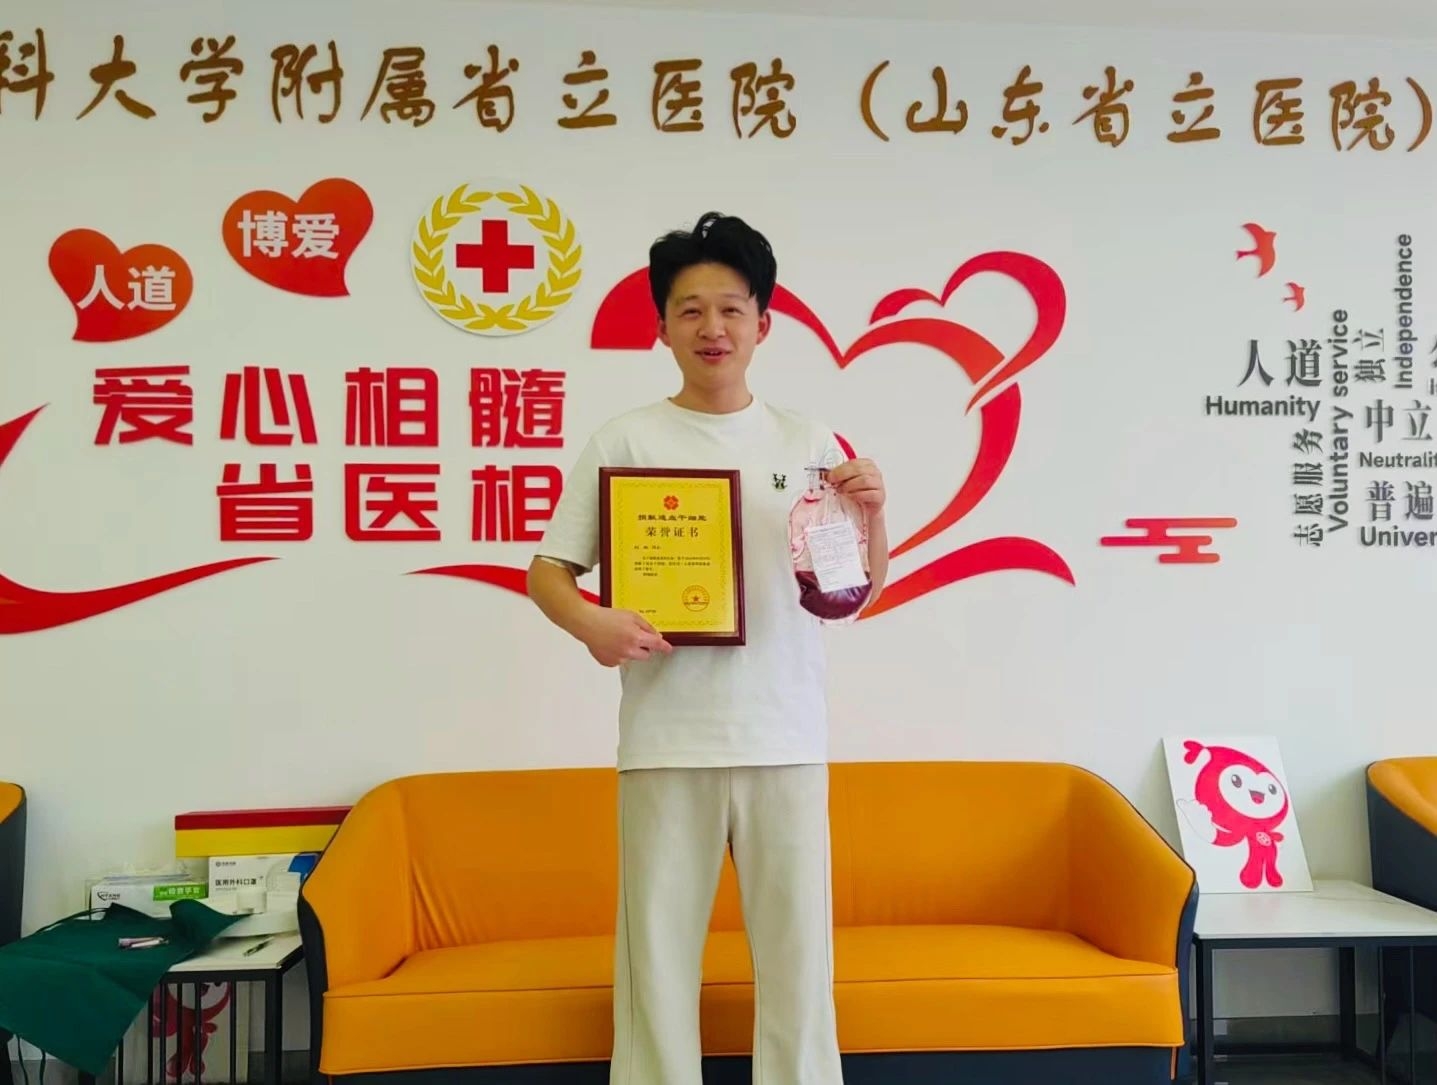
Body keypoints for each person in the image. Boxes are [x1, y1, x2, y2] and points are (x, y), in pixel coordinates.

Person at [526, 211, 888, 1085]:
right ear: (660, 327)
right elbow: (548, 571)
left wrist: (874, 516)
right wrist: (592, 623)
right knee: (654, 965)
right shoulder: (625, 440)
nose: (711, 327)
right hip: (665, 739)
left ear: (764, 323)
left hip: (784, 735)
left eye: (731, 308)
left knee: (798, 966)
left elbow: (855, 591)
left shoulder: (809, 442)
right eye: (689, 310)